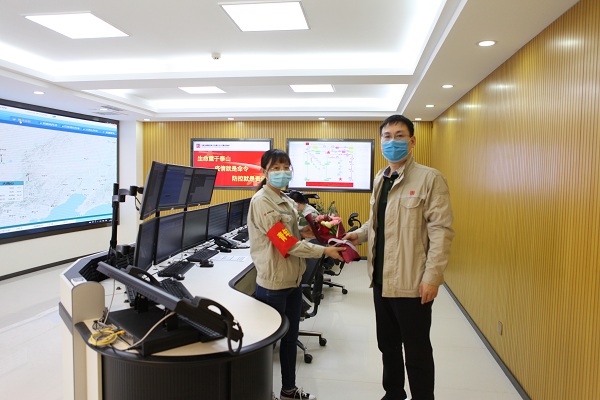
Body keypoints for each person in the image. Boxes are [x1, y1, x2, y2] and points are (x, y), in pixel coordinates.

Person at [342, 115, 454, 400]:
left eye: (400, 136)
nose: (393, 142)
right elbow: (378, 221)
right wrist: (359, 234)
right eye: (387, 136)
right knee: (388, 345)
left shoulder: (430, 179)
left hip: (412, 282)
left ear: (412, 141)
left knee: (417, 350)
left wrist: (432, 277)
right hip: (381, 280)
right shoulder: (381, 178)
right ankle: (393, 393)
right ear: (381, 142)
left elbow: (441, 232)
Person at [247, 149, 345, 400]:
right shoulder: (262, 202)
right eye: (275, 168)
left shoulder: (285, 199)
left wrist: (312, 230)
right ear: (264, 172)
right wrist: (324, 250)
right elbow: (286, 243)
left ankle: (288, 391)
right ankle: (262, 393)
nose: (282, 172)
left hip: (292, 279)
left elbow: (294, 233)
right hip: (274, 283)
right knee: (268, 345)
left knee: (290, 339)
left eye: (286, 167)